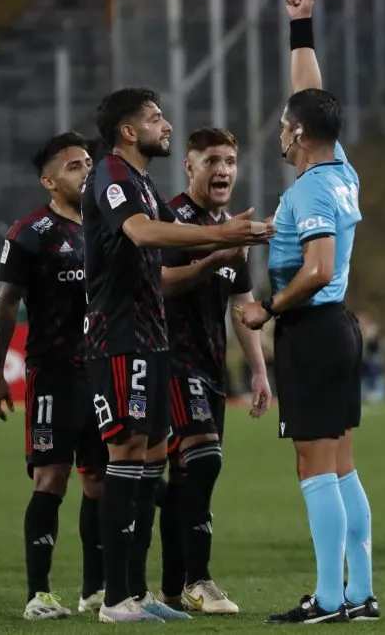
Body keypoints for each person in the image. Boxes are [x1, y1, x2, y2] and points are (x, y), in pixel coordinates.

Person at [83, 87, 271, 623]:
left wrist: (223, 241)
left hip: (151, 338)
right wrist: (221, 239)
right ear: (127, 129)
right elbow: (141, 234)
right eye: (155, 117)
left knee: (145, 463)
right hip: (119, 337)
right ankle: (116, 599)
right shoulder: (112, 176)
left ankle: (140, 593)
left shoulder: (140, 181)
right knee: (126, 458)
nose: (165, 124)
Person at [237, 0, 374, 625]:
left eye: (285, 126)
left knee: (313, 464)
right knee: (342, 463)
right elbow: (309, 98)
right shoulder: (338, 168)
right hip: (340, 329)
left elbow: (317, 270)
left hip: (314, 330)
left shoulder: (311, 191)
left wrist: (267, 305)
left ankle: (326, 598)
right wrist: (303, 28)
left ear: (295, 135)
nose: (280, 132)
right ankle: (360, 593)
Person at [0, 132, 108, 619]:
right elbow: (5, 304)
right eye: (75, 166)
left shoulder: (105, 226)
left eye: (88, 163)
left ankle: (94, 590)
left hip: (101, 372)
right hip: (53, 375)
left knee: (99, 479)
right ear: (49, 180)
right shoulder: (30, 231)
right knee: (51, 477)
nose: (86, 171)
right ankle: (38, 593)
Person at [154, 127, 272, 615]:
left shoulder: (230, 227)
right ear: (190, 166)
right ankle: (200, 581)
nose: (222, 170)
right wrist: (215, 257)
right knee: (204, 462)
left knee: (186, 479)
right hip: (171, 361)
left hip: (211, 368)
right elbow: (161, 284)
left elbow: (241, 306)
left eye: (229, 160)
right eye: (211, 161)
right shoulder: (172, 219)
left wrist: (260, 372)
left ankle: (169, 590)